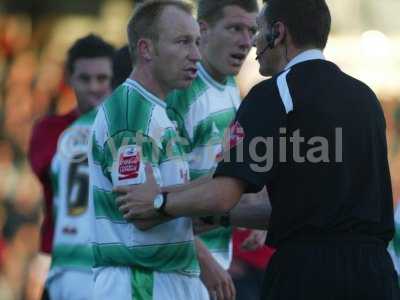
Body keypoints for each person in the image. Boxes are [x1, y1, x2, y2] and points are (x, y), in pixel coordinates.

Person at [115, 0, 400, 299]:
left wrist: (159, 202)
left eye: (258, 29)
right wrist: (217, 218)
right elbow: (300, 206)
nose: (252, 40)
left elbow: (224, 194)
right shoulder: (365, 98)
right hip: (376, 274)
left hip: (308, 273)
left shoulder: (273, 94)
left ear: (278, 33)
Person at [87, 1, 206, 299]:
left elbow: (165, 204)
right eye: (182, 42)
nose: (196, 55)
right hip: (143, 283)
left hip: (162, 279)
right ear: (146, 49)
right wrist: (215, 192)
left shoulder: (157, 110)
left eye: (197, 43)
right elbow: (141, 211)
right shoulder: (132, 112)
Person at [166, 1, 258, 299]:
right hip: (176, 274)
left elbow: (221, 175)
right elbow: (156, 199)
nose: (246, 41)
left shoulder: (230, 85)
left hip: (211, 270)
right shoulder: (180, 93)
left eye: (252, 30)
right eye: (235, 28)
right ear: (202, 30)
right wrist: (204, 260)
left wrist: (254, 215)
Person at [34, 34, 114, 300]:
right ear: (69, 78)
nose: (94, 87)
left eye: (102, 79)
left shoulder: (125, 128)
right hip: (61, 260)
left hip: (111, 267)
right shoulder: (50, 130)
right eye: (85, 78)